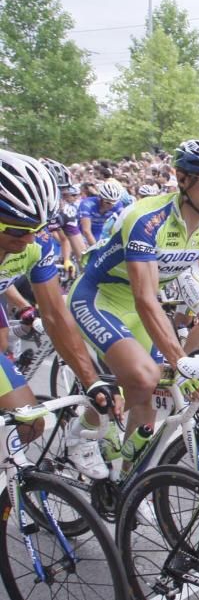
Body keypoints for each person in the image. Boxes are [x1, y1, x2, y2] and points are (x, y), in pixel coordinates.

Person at [67, 138, 199, 473]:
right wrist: (181, 360)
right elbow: (146, 297)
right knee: (144, 379)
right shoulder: (146, 218)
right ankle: (81, 433)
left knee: (150, 391)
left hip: (138, 304)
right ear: (183, 179)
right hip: (99, 297)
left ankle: (131, 483)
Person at [0, 150, 119, 473]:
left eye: (35, 227)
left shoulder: (36, 244)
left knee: (29, 424)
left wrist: (90, 381)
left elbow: (55, 315)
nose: (28, 239)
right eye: (16, 230)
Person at [77, 180, 125, 246]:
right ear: (100, 198)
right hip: (81, 233)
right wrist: (95, 249)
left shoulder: (117, 205)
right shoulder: (87, 204)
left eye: (114, 203)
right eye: (108, 203)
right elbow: (86, 231)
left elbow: (124, 222)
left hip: (98, 232)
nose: (111, 206)